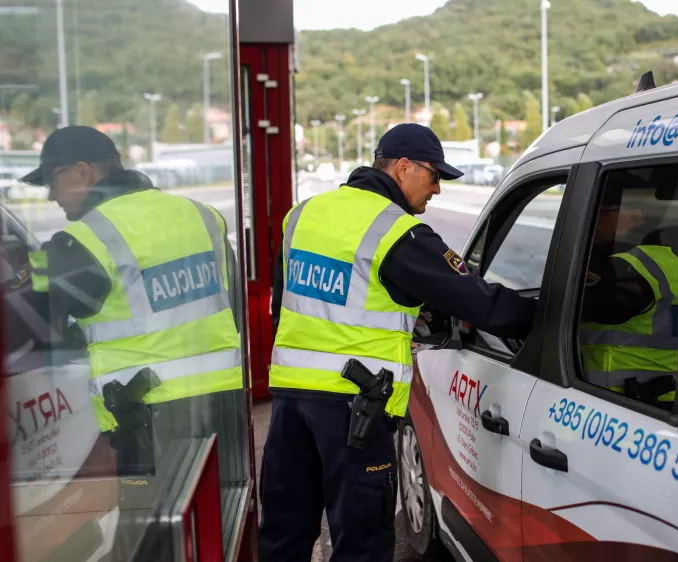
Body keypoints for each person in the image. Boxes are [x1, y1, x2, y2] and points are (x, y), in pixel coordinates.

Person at [259, 123, 536, 562]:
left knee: (284, 531)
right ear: (404, 167)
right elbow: (479, 302)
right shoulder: (395, 230)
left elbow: (286, 304)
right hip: (354, 410)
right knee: (361, 540)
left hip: (291, 402)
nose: (438, 190)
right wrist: (548, 313)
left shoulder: (304, 213)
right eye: (434, 176)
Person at [21, 126, 245, 540]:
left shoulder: (78, 242)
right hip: (224, 404)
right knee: (215, 526)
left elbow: (29, 322)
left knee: (148, 536)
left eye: (52, 181)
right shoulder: (202, 216)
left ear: (81, 173)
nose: (51, 196)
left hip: (146, 417)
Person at [578, 183, 678, 407]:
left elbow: (582, 307)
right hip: (659, 397)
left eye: (602, 213)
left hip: (619, 401)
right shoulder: (676, 261)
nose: (591, 220)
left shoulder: (633, 267)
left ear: (633, 217)